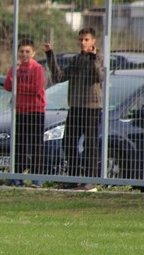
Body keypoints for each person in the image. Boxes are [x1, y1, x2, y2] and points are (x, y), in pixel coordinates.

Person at [44, 27, 104, 191]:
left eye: (86, 40)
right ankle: (74, 178)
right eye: (80, 40)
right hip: (76, 107)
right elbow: (59, 77)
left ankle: (90, 181)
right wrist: (50, 55)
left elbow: (99, 76)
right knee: (68, 142)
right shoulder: (76, 59)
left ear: (93, 41)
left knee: (90, 145)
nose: (83, 42)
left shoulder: (99, 58)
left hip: (92, 108)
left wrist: (92, 58)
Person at [3, 38, 46, 187]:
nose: (24, 54)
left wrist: (18, 86)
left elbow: (36, 89)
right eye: (21, 51)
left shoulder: (37, 68)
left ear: (33, 53)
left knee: (36, 146)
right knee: (19, 145)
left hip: (35, 111)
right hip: (20, 111)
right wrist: (14, 72)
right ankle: (17, 177)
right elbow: (7, 86)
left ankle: (36, 179)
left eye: (27, 51)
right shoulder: (16, 68)